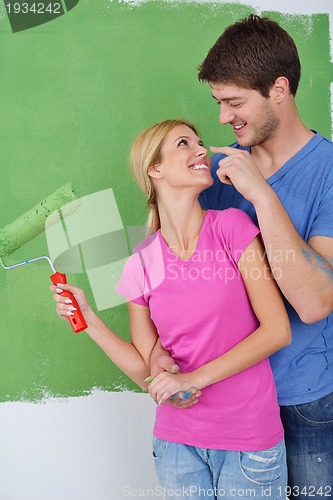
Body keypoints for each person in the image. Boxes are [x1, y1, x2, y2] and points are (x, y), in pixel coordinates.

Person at [51, 119, 291, 499]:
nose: (200, 150)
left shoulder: (231, 227)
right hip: (177, 447)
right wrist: (90, 319)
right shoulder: (142, 261)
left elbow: (278, 330)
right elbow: (147, 370)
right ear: (155, 169)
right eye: (184, 143)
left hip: (248, 442)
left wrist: (193, 379)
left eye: (199, 142)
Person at [194, 13, 333, 499]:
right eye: (218, 102)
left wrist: (261, 194)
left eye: (234, 102)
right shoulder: (214, 173)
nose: (223, 118)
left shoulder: (329, 172)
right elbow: (181, 271)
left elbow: (315, 302)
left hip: (303, 400)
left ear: (279, 89)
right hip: (227, 395)